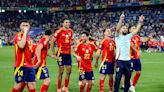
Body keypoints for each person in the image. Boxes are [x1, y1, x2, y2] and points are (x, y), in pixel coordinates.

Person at [114, 12, 144, 92]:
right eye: (123, 28)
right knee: (118, 78)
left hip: (128, 61)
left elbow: (136, 30)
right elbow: (117, 29)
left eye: (126, 28)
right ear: (120, 30)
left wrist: (140, 22)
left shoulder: (128, 36)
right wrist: (121, 19)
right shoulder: (117, 36)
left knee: (127, 79)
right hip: (120, 61)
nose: (125, 29)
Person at [12, 19, 36, 92]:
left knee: (32, 84)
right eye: (23, 25)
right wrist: (25, 32)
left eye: (27, 25)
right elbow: (21, 46)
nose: (25, 27)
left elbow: (30, 53)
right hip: (21, 65)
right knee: (18, 85)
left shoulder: (29, 38)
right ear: (20, 26)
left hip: (29, 65)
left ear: (29, 27)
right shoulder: (18, 36)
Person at [51, 19, 74, 92]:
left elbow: (71, 41)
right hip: (60, 53)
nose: (67, 23)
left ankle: (65, 87)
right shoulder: (59, 31)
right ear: (63, 23)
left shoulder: (71, 31)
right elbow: (52, 41)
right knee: (61, 71)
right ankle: (58, 88)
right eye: (66, 22)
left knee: (69, 71)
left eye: (68, 22)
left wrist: (73, 50)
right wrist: (54, 52)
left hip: (68, 54)